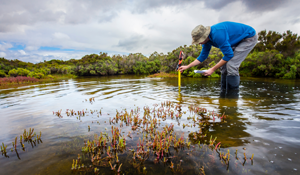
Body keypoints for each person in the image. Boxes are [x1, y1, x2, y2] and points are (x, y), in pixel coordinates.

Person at [179, 21, 257, 94]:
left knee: (231, 64)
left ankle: (232, 96)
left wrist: (212, 69)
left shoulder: (218, 35)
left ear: (205, 37)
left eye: (200, 41)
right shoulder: (207, 41)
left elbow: (229, 55)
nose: (199, 43)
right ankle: (223, 94)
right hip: (235, 41)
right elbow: (203, 56)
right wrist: (187, 67)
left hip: (248, 38)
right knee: (223, 66)